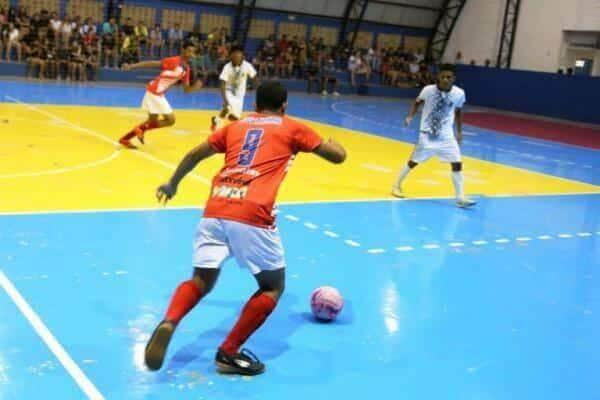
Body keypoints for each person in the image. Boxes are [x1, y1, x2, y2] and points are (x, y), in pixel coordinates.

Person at [144, 81, 346, 375]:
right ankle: (228, 353)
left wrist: (172, 183)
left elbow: (194, 154)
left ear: (255, 104)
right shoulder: (292, 127)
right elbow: (338, 157)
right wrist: (332, 140)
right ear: (284, 106)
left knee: (200, 279)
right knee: (272, 286)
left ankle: (170, 320)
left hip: (216, 206)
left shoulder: (236, 126)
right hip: (253, 213)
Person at [392, 64, 476, 208]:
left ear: (453, 79)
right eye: (442, 76)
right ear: (438, 76)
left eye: (448, 77)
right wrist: (410, 116)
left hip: (447, 136)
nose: (445, 79)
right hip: (427, 135)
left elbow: (458, 112)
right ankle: (396, 185)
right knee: (414, 162)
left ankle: (460, 198)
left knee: (457, 163)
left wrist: (459, 131)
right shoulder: (428, 90)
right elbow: (417, 102)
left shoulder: (459, 93)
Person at [118, 41, 203, 149]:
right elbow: (153, 63)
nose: (191, 54)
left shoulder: (186, 69)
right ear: (183, 50)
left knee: (151, 121)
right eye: (189, 51)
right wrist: (132, 66)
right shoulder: (174, 61)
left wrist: (195, 87)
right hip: (155, 92)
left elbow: (186, 90)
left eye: (193, 52)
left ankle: (125, 139)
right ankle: (140, 130)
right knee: (170, 120)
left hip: (158, 93)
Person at [211, 46, 258, 131]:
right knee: (228, 108)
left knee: (234, 117)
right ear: (230, 57)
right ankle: (217, 130)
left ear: (242, 57)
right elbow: (222, 84)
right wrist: (225, 100)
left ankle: (216, 120)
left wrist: (260, 93)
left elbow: (255, 78)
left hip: (240, 96)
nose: (236, 58)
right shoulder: (227, 67)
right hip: (228, 91)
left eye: (238, 56)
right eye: (233, 56)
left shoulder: (247, 66)